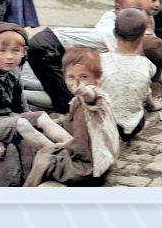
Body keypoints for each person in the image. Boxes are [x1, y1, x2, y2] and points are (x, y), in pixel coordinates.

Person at [0, 24, 72, 161]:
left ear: (24, 52)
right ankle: (57, 155)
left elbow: (20, 103)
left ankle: (72, 145)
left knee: (41, 116)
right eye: (2, 51)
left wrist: (32, 119)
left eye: (15, 51)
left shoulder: (13, 71)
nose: (9, 57)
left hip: (9, 118)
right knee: (22, 123)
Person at [26, 0, 145, 113]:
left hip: (48, 42)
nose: (137, 14)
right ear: (117, 7)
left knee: (61, 86)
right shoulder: (112, 35)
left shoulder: (110, 16)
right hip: (46, 48)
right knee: (70, 102)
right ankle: (19, 94)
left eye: (140, 9)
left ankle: (24, 84)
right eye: (134, 9)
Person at [23, 48, 121, 187]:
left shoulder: (98, 100)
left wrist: (87, 91)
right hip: (84, 156)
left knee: (45, 162)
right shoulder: (75, 102)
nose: (77, 83)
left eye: (84, 77)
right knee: (47, 152)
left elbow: (93, 98)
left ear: (97, 79)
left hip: (90, 168)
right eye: (71, 77)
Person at [101, 9, 162, 142]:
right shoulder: (147, 65)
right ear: (141, 37)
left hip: (108, 126)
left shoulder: (101, 61)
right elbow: (146, 93)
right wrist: (152, 105)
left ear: (114, 34)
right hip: (135, 126)